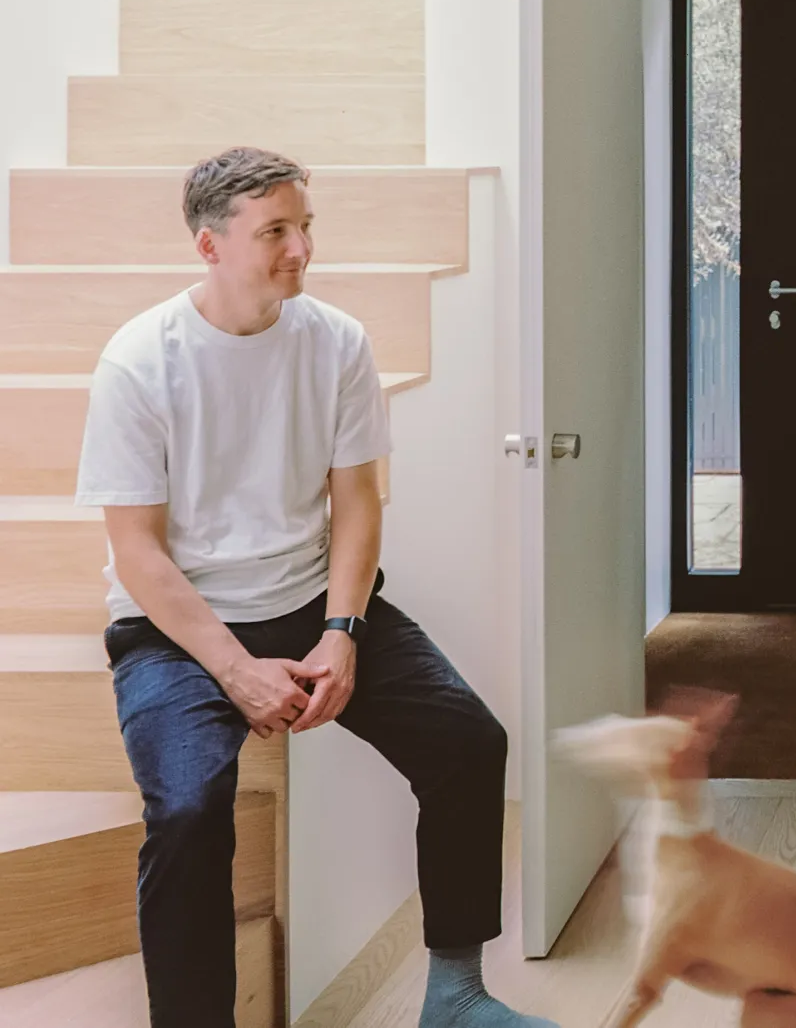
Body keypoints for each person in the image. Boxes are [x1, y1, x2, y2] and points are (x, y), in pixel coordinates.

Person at [77, 147, 552, 1028]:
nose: (300, 249)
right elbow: (137, 553)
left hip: (309, 597)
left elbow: (358, 502)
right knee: (186, 811)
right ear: (209, 246)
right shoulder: (140, 361)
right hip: (176, 624)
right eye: (275, 232)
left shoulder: (335, 340)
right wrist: (233, 668)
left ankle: (454, 996)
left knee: (470, 741)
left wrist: (342, 629)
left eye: (304, 227)